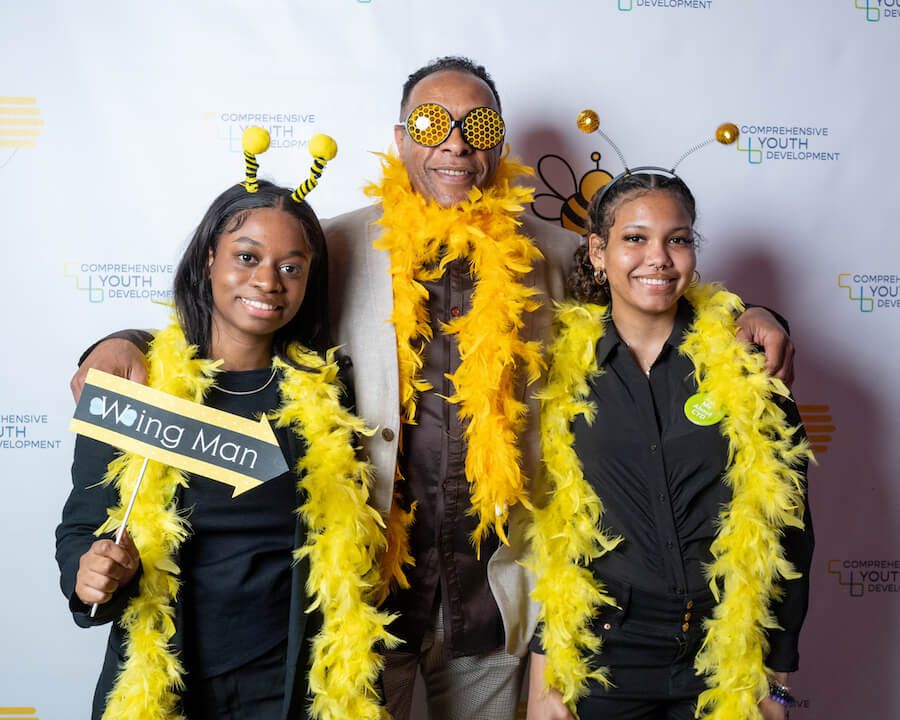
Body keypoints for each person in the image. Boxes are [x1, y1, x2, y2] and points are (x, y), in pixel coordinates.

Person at [70, 59, 795, 720]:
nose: (454, 144)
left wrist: (756, 317)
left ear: (497, 143)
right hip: (365, 596)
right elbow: (241, 317)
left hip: (492, 595)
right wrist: (121, 343)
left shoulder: (556, 254)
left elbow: (654, 292)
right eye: (429, 124)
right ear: (399, 139)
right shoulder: (334, 245)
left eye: (475, 127)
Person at [56, 152, 393, 720]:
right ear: (209, 257)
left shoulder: (330, 395)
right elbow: (81, 527)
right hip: (168, 678)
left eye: (291, 267)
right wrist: (88, 574)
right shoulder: (138, 384)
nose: (268, 281)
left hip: (292, 687)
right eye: (247, 257)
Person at [526, 172, 813, 720]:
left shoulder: (744, 362)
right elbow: (559, 533)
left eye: (676, 239)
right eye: (635, 238)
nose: (657, 257)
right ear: (598, 252)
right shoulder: (562, 368)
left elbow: (793, 530)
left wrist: (776, 683)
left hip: (725, 655)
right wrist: (544, 683)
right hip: (605, 655)